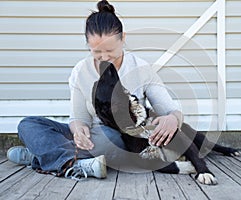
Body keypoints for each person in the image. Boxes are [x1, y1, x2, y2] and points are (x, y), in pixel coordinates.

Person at [7, 0, 183, 180]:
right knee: (28, 125)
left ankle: (43, 156)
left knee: (110, 138)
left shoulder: (141, 69)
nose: (104, 57)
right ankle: (70, 161)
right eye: (97, 52)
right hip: (90, 139)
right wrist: (78, 131)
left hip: (118, 139)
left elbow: (170, 111)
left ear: (123, 38)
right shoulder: (80, 71)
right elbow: (78, 118)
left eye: (110, 50)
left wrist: (172, 119)